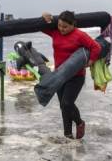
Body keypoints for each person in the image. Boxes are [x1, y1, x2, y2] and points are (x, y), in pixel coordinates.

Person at [42, 10, 101, 139]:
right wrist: (44, 17)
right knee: (64, 107)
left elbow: (96, 47)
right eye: (59, 25)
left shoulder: (80, 35)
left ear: (73, 24)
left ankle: (79, 123)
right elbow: (42, 27)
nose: (61, 29)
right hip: (59, 75)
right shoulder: (55, 32)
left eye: (65, 27)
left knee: (66, 103)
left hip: (76, 76)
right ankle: (67, 135)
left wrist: (91, 61)